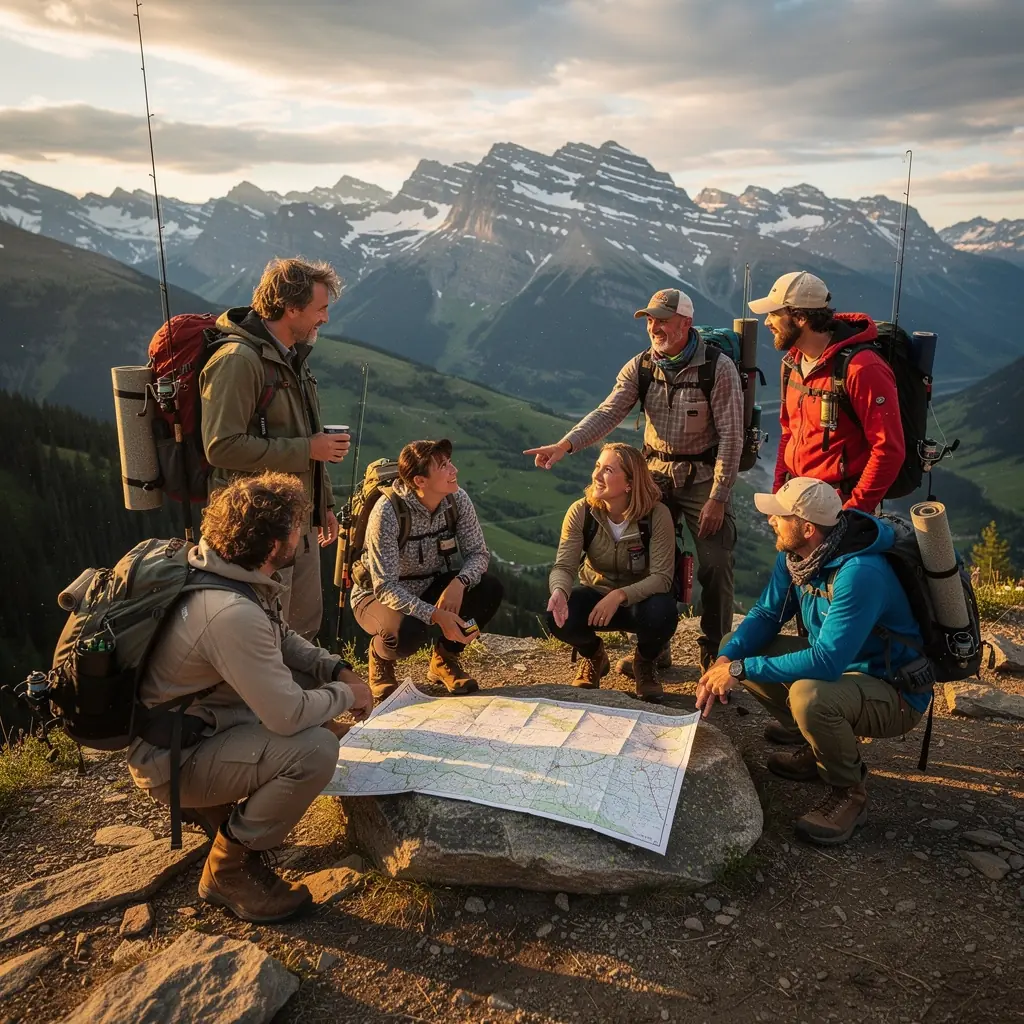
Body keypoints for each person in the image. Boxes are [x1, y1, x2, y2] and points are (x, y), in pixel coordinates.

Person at [128, 471, 374, 922]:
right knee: (315, 750)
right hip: (172, 760)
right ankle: (229, 869)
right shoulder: (232, 612)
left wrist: (334, 669)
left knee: (309, 701)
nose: (301, 535)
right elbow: (287, 715)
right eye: (296, 528)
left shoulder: (225, 571)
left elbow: (281, 638)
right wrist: (345, 694)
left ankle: (216, 809)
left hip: (192, 728)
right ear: (272, 544)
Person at [696, 477, 931, 846]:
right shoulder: (797, 558)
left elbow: (826, 662)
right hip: (844, 673)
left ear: (807, 528)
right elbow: (766, 614)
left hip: (893, 690)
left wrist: (740, 670)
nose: (771, 520)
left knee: (809, 696)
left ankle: (849, 794)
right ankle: (818, 745)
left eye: (780, 516)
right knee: (735, 647)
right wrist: (727, 658)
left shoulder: (859, 573)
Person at [525, 287, 743, 674]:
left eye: (663, 320)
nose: (654, 327)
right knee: (648, 561)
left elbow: (731, 436)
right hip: (653, 475)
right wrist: (565, 444)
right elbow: (609, 412)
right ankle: (655, 649)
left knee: (715, 562)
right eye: (650, 320)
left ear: (686, 323)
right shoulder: (641, 366)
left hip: (703, 478)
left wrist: (719, 497)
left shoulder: (718, 368)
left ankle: (716, 650)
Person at [201, 257, 348, 641]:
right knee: (265, 633)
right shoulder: (238, 361)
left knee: (302, 627)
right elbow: (221, 446)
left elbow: (308, 436)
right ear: (291, 308)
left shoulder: (291, 357)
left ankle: (298, 684)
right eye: (320, 309)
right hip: (256, 527)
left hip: (298, 519)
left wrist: (323, 504)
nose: (325, 319)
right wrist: (307, 449)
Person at [351, 439, 504, 700]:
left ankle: (444, 659)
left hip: (430, 585)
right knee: (405, 634)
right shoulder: (387, 512)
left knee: (490, 589)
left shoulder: (457, 499)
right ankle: (381, 657)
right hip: (377, 596)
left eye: (449, 462)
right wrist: (434, 615)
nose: (454, 470)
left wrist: (459, 583)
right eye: (443, 466)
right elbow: (385, 586)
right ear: (420, 481)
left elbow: (478, 554)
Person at [749, 271, 904, 512]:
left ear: (800, 317)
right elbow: (789, 432)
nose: (767, 322)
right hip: (796, 497)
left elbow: (888, 451)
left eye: (774, 314)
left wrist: (853, 513)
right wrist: (779, 495)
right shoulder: (791, 364)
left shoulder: (862, 368)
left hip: (838, 504)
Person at [547, 443, 678, 701]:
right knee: (556, 615)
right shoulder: (582, 512)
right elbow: (563, 566)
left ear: (630, 483)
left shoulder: (656, 515)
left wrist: (619, 596)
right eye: (597, 466)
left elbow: (662, 578)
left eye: (607, 470)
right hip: (595, 596)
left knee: (663, 612)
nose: (596, 475)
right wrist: (559, 590)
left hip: (640, 601)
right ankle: (594, 654)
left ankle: (645, 661)